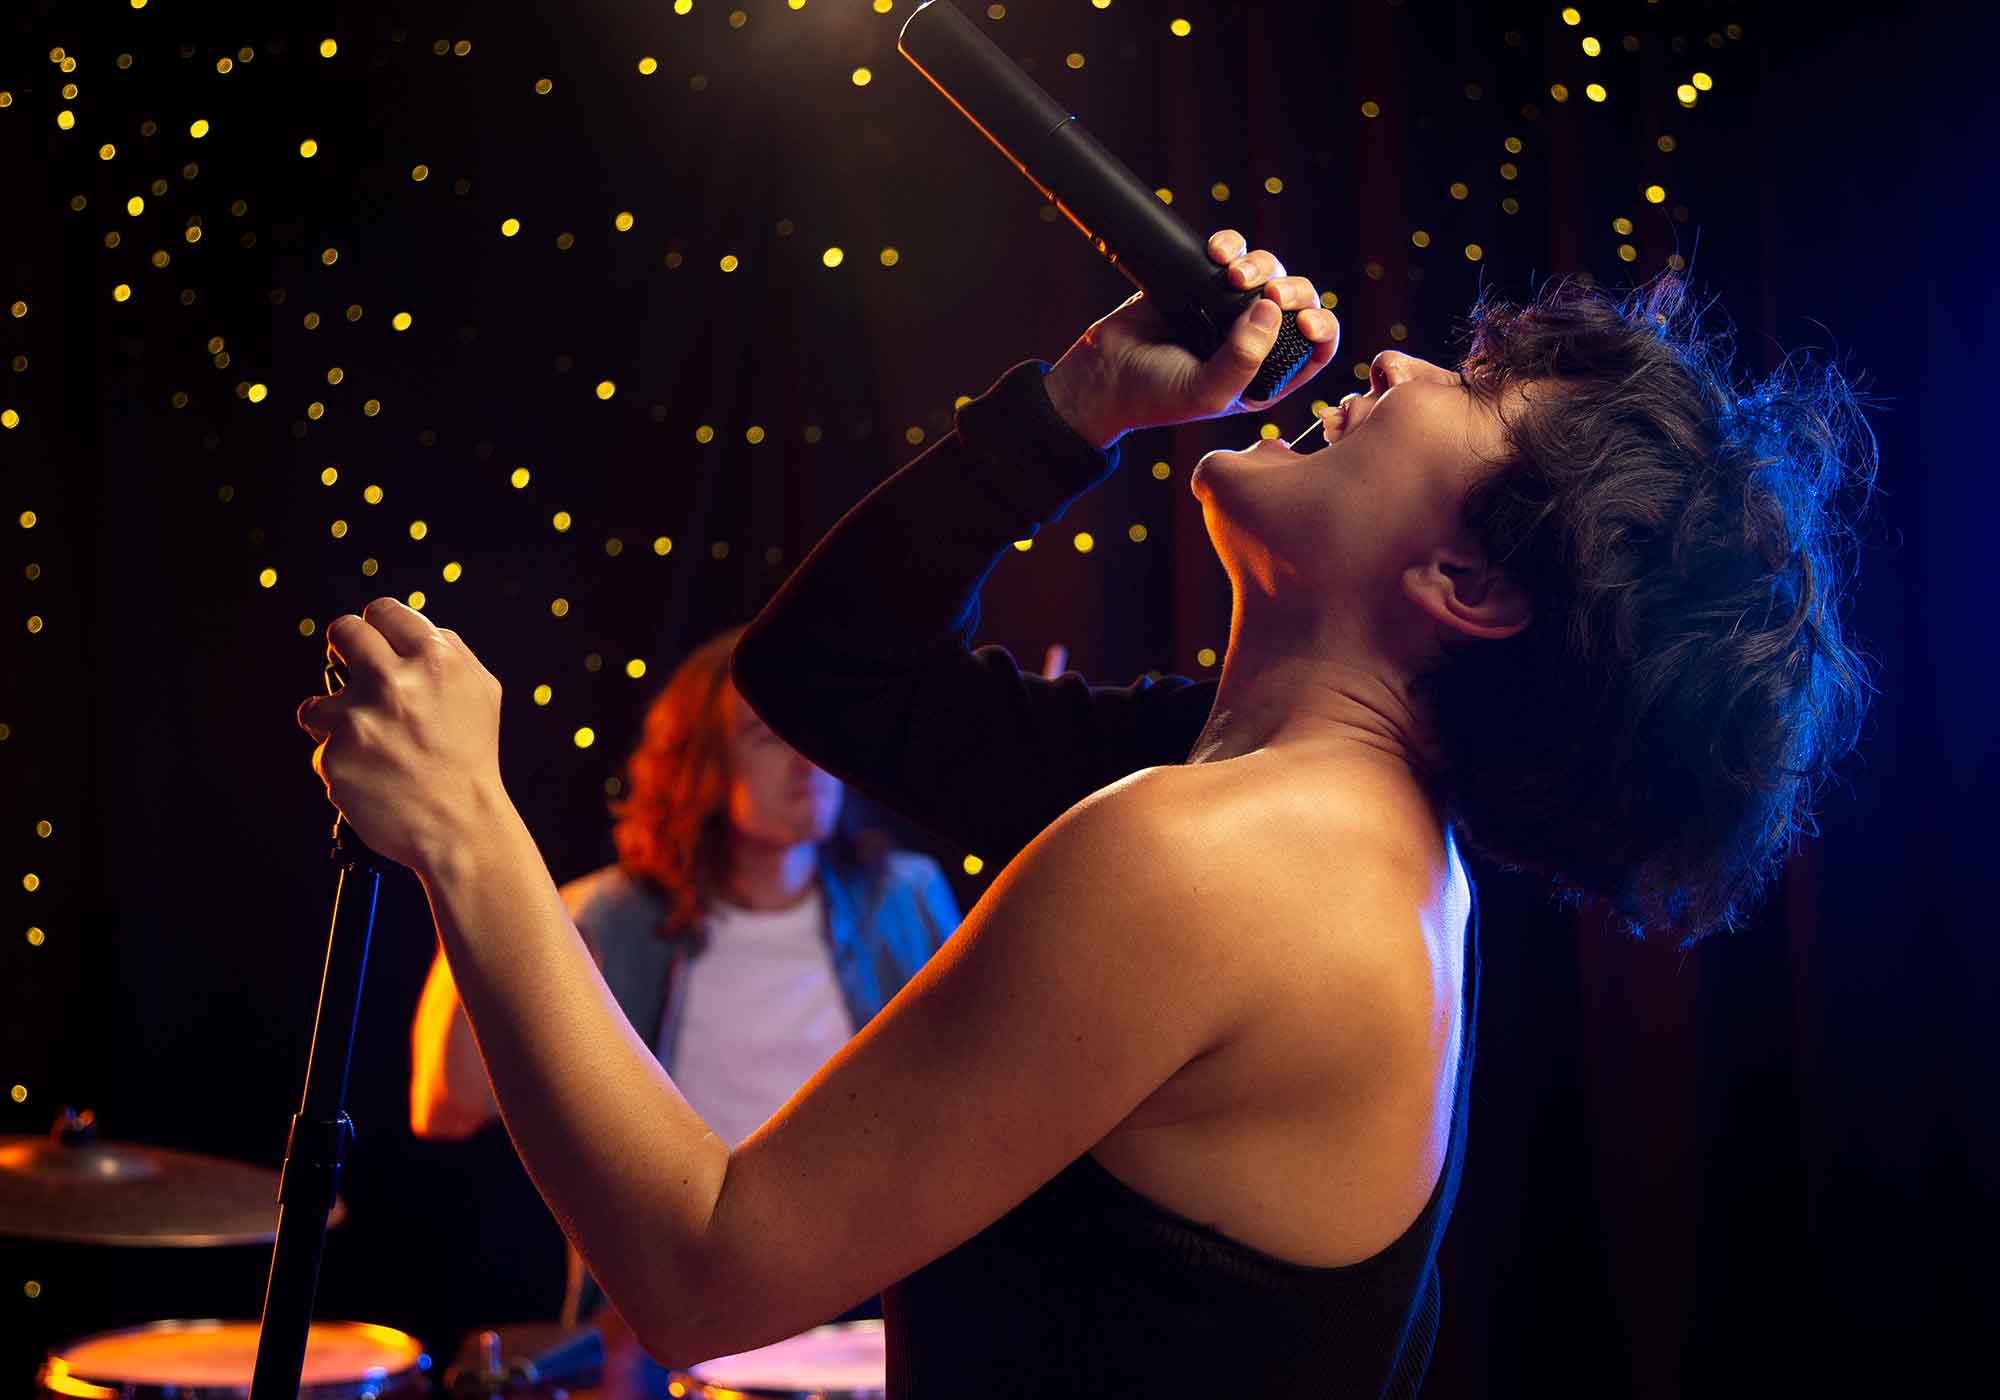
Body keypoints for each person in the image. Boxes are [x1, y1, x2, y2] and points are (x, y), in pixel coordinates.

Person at [299, 226, 1871, 1397]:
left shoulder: (1212, 869)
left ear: (1468, 581)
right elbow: (831, 677)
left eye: (1468, 391)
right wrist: (1075, 407)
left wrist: (464, 829)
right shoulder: (1290, 809)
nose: (1393, 366)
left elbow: (704, 1273)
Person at [406, 627, 962, 1323]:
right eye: (769, 736)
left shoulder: (904, 897)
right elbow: (446, 1106)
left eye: (817, 727)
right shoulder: (611, 918)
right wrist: (486, 883)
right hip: (680, 1321)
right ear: (702, 762)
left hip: (869, 1320)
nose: (808, 760)